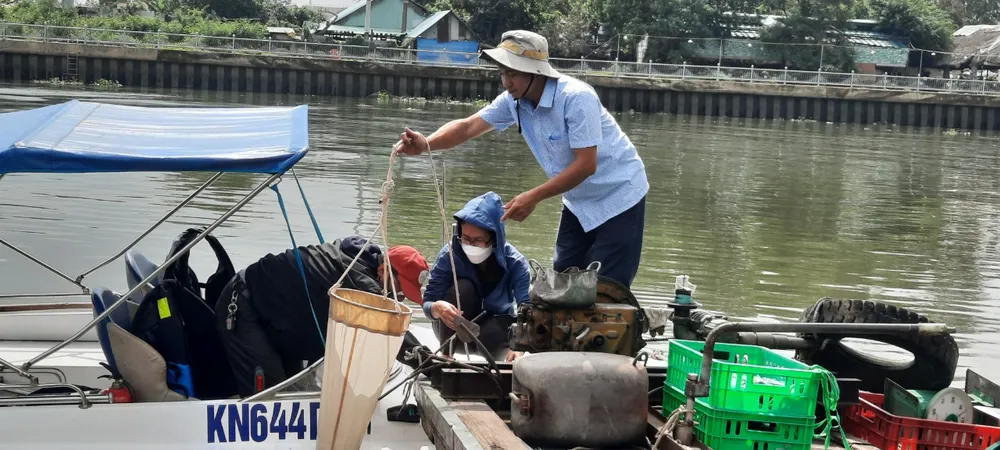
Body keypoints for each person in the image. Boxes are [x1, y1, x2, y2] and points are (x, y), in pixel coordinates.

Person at [395, 29, 649, 288]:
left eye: (513, 73)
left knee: (606, 289)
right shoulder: (513, 101)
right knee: (562, 283)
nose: (506, 81)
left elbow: (586, 165)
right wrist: (426, 144)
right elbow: (468, 126)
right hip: (578, 202)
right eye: (502, 73)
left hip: (619, 196)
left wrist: (533, 196)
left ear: (535, 71)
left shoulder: (575, 98)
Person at [215, 236, 429, 397]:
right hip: (242, 307)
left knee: (293, 391)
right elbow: (389, 330)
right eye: (399, 291)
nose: (398, 298)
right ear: (383, 269)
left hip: (276, 316)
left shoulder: (359, 256)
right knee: (270, 394)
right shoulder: (356, 284)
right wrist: (429, 363)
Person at [421, 191, 531, 361]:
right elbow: (428, 301)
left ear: (495, 238)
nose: (470, 245)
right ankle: (446, 354)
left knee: (497, 330)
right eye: (465, 238)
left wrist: (521, 346)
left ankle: (495, 364)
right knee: (463, 288)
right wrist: (436, 308)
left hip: (493, 336)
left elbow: (527, 308)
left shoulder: (516, 263)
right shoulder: (449, 255)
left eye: (478, 240)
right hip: (452, 331)